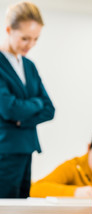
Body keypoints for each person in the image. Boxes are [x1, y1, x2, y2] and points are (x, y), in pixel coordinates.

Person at [0, 2, 55, 198]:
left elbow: (49, 108)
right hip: (5, 152)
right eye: (25, 38)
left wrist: (22, 119)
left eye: (35, 39)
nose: (30, 45)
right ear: (8, 30)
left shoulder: (29, 66)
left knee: (23, 207)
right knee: (6, 212)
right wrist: (36, 102)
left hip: (26, 149)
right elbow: (9, 108)